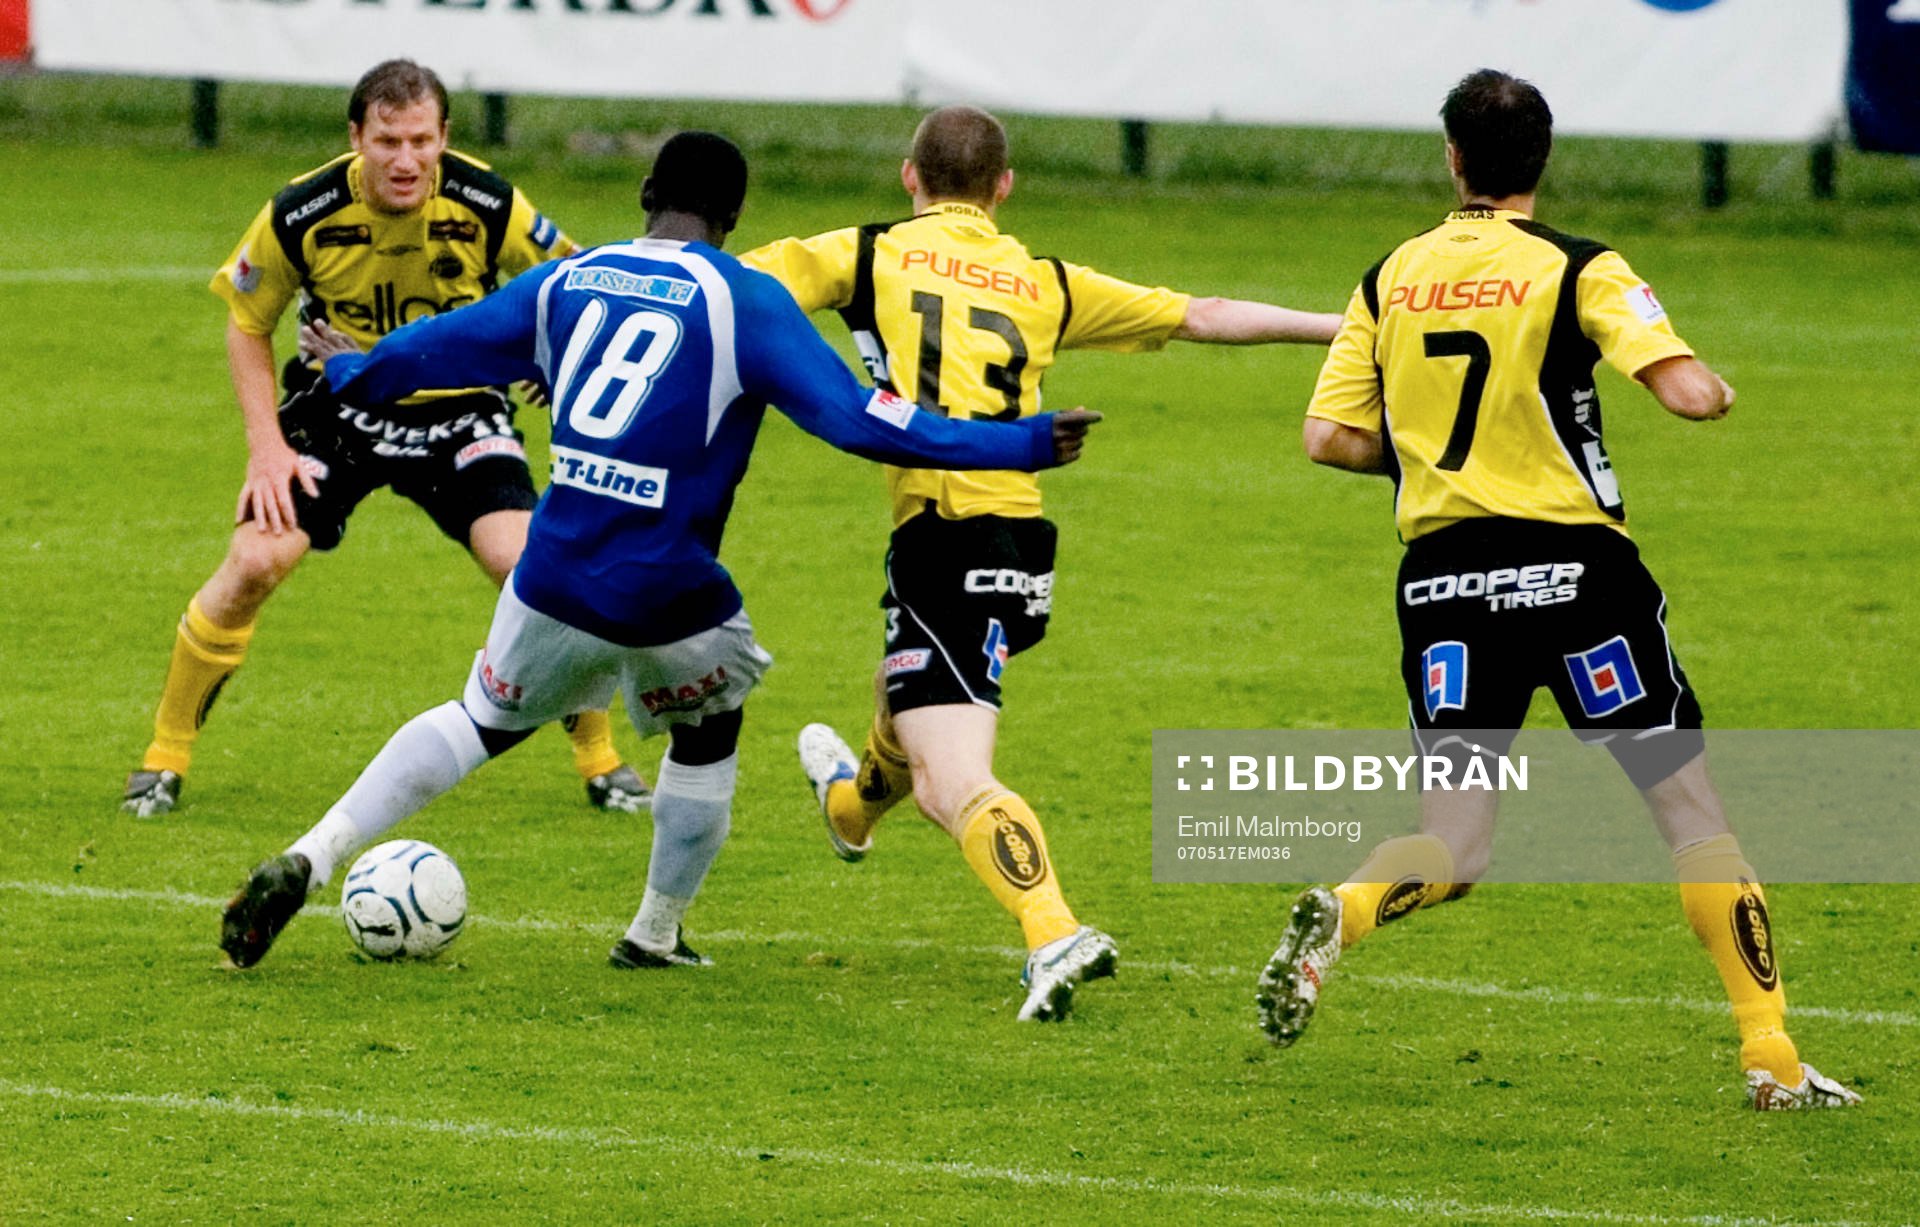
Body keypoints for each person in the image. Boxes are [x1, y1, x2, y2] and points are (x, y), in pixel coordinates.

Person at [217, 131, 1103, 972]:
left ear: (646, 197)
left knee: (478, 719)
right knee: (712, 721)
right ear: (735, 220)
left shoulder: (569, 280)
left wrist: (344, 372)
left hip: (553, 575)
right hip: (674, 594)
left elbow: (430, 350)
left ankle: (315, 851)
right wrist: (1020, 445)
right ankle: (653, 929)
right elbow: (863, 421)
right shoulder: (745, 299)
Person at [1258, 69, 1860, 1111]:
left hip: (1444, 582)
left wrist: (1438, 462)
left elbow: (1328, 437)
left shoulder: (1386, 277)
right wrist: (1708, 387)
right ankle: (1771, 1055)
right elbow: (1683, 389)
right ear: (1544, 158)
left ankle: (1349, 910)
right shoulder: (1580, 266)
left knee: (1456, 842)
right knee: (1690, 815)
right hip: (1578, 578)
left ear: (1451, 157)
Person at [742, 105, 1343, 1021]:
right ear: (1004, 187)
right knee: (904, 696)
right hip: (1021, 548)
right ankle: (850, 809)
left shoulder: (867, 254)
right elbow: (1206, 315)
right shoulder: (1045, 281)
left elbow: (722, 288)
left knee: (955, 780)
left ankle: (1052, 927)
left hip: (948, 534)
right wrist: (1342, 325)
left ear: (910, 176)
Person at [122, 58, 650, 819]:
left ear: (444, 138)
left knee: (534, 568)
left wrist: (551, 357)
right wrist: (266, 448)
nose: (406, 161)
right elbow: (248, 323)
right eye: (387, 141)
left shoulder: (487, 202)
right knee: (255, 560)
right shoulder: (302, 212)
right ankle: (163, 758)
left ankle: (599, 759)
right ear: (356, 138)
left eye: (421, 141)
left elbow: (578, 286)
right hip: (342, 409)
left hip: (460, 408)